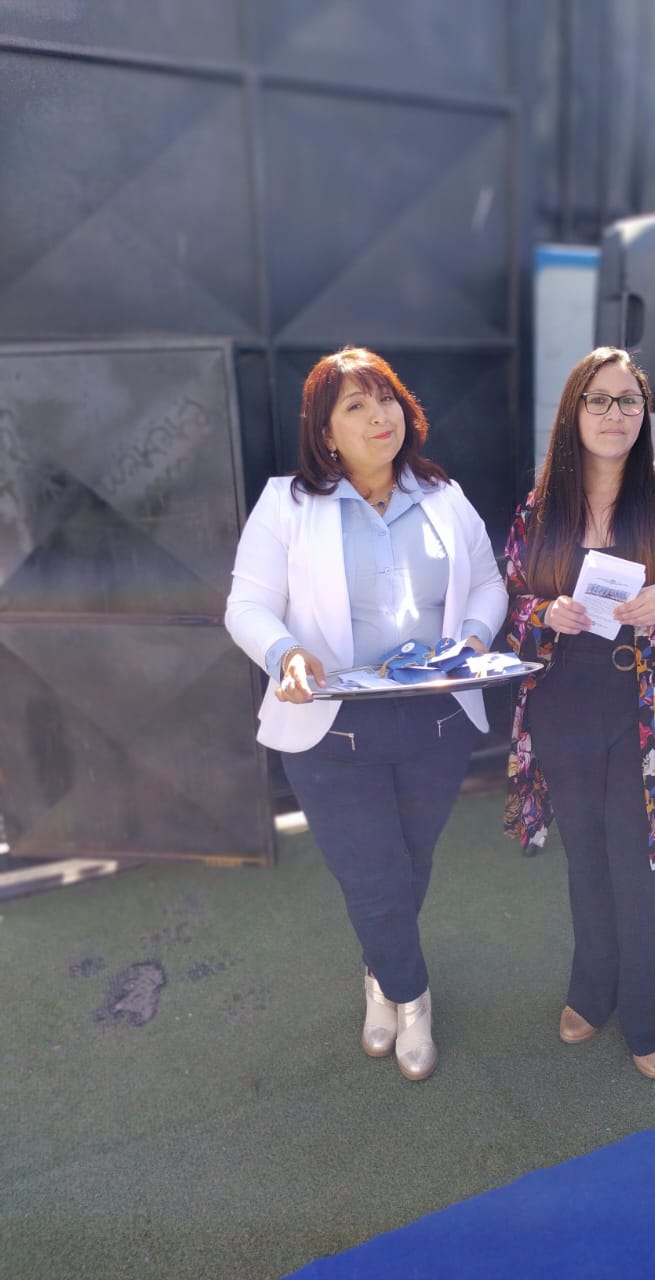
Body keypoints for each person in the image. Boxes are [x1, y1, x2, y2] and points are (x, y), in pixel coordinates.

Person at [225, 347, 507, 1081]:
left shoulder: (444, 495)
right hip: (331, 726)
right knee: (373, 876)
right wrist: (285, 652)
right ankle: (410, 997)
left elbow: (489, 584)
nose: (378, 416)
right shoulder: (287, 504)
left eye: (386, 399)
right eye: (355, 405)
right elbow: (246, 605)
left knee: (409, 867)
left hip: (436, 720)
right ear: (326, 432)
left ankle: (381, 976)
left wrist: (475, 639)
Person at [502, 346, 655, 1079]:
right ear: (573, 412)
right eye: (599, 400)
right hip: (564, 704)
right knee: (587, 861)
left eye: (629, 400)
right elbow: (507, 605)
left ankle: (648, 1014)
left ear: (645, 412)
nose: (615, 414)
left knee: (647, 867)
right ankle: (592, 990)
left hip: (651, 711)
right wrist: (546, 613)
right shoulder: (542, 506)